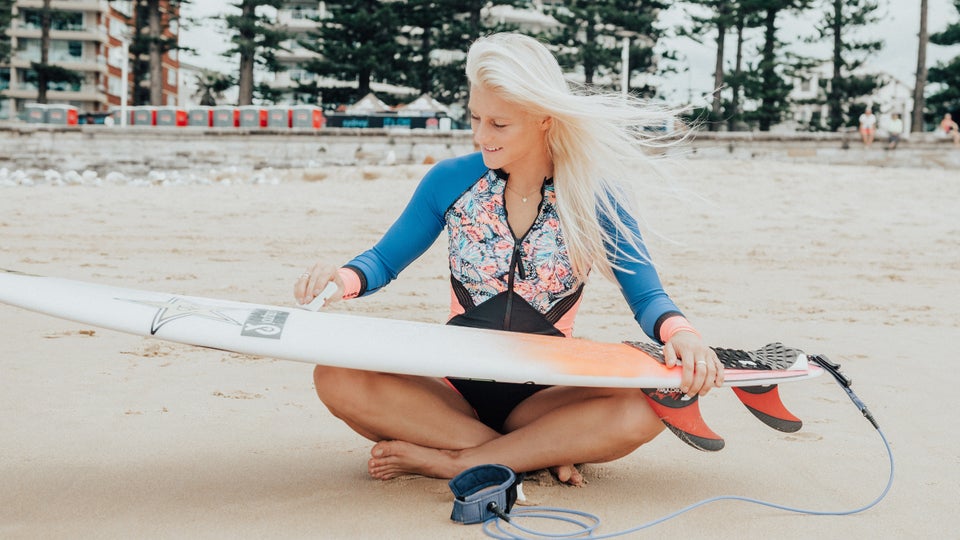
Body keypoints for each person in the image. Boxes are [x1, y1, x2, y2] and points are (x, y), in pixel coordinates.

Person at [293, 33, 722, 486]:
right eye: (476, 118)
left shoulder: (594, 197)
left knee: (652, 407)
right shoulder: (451, 181)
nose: (480, 135)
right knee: (335, 377)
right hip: (454, 390)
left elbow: (647, 295)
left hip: (546, 393)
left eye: (499, 124)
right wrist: (339, 281)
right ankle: (533, 453)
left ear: (543, 120)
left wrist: (685, 335)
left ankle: (457, 460)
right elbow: (382, 261)